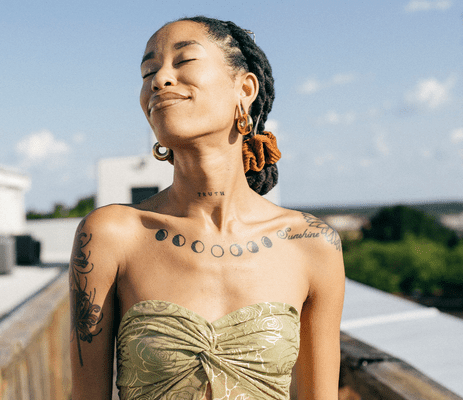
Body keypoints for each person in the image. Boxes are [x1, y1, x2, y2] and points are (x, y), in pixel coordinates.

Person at [69, 16, 345, 400]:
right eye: (149, 70)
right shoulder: (109, 235)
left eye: (184, 62)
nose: (159, 79)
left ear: (245, 89)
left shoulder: (312, 243)